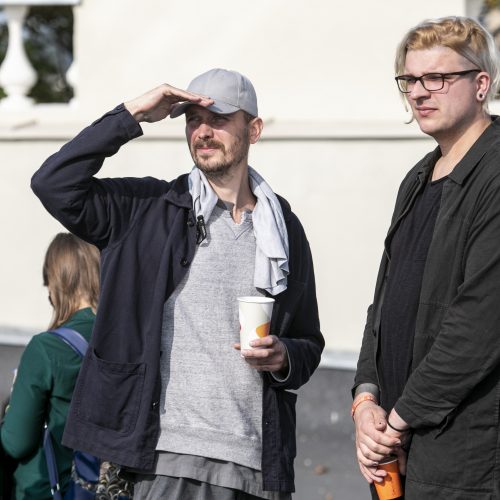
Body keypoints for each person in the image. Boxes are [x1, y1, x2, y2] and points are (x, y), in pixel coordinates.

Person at [31, 68, 324, 499]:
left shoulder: (283, 230)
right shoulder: (145, 210)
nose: (203, 131)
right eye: (192, 119)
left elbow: (309, 343)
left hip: (256, 464)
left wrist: (283, 356)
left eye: (219, 119)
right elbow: (53, 184)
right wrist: (131, 115)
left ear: (254, 129)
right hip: (167, 460)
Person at [352, 16, 500, 499]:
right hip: (395, 451)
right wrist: (366, 401)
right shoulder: (417, 179)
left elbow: (479, 325)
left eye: (437, 78)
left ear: (482, 84)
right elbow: (383, 303)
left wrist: (397, 420)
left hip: (463, 458)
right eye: (410, 80)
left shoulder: (493, 175)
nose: (419, 92)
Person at [0, 233, 99, 499]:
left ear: (57, 284)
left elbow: (16, 442)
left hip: (47, 490)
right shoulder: (125, 342)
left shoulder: (46, 348)